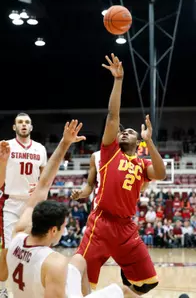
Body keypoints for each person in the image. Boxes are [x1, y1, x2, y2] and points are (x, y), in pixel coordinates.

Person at [4, 120, 139, 298]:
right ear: (54, 230)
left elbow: (43, 185)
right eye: (63, 227)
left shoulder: (18, 235)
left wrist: (65, 142)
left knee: (79, 260)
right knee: (121, 291)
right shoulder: (55, 263)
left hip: (28, 288)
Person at [76, 53, 166, 295]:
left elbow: (161, 173)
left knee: (147, 283)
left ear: (139, 140)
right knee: (81, 282)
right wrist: (118, 80)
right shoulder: (109, 153)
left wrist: (150, 142)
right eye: (122, 132)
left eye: (130, 132)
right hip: (102, 223)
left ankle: (119, 291)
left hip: (126, 227)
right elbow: (113, 116)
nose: (124, 132)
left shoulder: (142, 162)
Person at [0, 113, 47, 298]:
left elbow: (45, 177)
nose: (24, 125)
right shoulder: (6, 146)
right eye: (20, 122)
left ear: (31, 127)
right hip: (10, 203)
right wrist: (2, 160)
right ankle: (2, 289)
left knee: (32, 248)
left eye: (27, 122)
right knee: (7, 249)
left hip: (32, 203)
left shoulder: (40, 149)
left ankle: (30, 287)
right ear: (14, 127)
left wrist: (42, 186)